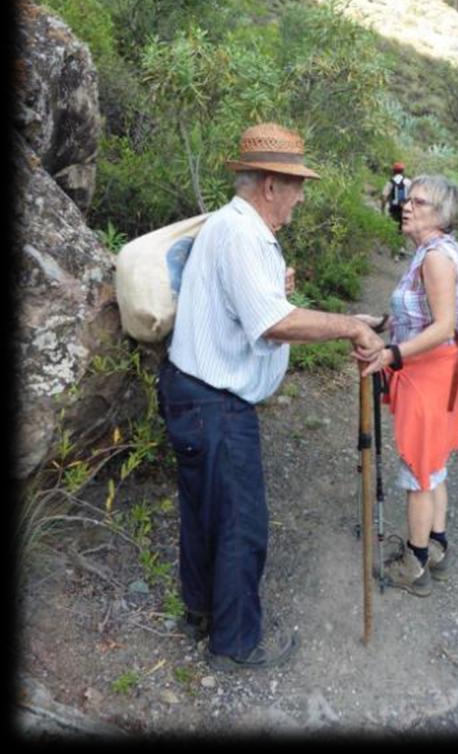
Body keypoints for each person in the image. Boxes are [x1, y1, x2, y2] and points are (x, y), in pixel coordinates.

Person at [156, 122, 384, 671]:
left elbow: (239, 303)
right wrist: (351, 327)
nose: (300, 197)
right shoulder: (244, 234)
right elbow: (272, 325)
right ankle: (235, 643)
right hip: (214, 403)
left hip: (192, 393)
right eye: (296, 185)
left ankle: (201, 613)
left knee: (205, 513)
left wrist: (274, 293)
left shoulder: (229, 225)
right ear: (269, 186)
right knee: (240, 524)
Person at [355, 174, 458, 597]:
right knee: (434, 464)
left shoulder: (435, 258)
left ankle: (415, 561)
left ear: (439, 214)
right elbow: (423, 316)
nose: (407, 206)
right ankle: (437, 545)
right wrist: (382, 324)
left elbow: (441, 328)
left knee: (419, 470)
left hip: (428, 372)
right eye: (409, 199)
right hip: (437, 370)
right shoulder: (435, 251)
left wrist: (391, 354)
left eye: (418, 202)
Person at [381, 161, 412, 232]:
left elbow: (384, 197)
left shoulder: (390, 182)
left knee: (393, 227)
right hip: (405, 208)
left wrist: (382, 209)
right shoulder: (408, 182)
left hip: (393, 208)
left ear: (393, 171)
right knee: (403, 228)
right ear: (403, 171)